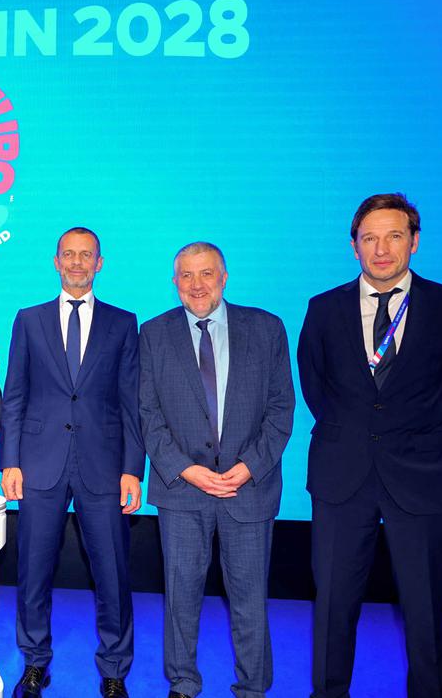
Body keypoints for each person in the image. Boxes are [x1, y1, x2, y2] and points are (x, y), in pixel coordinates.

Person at [298, 193, 442, 698]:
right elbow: (316, 388)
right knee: (333, 608)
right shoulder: (323, 308)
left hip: (422, 477)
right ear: (353, 246)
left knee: (426, 612)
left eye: (394, 236)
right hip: (342, 477)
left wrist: (416, 435)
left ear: (415, 242)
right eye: (370, 238)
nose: (382, 249)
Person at [139, 241, 294, 698]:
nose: (197, 284)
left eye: (206, 273)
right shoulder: (154, 333)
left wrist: (249, 466)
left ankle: (252, 687)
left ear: (224, 277)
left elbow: (282, 410)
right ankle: (183, 683)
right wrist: (185, 469)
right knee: (180, 597)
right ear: (174, 283)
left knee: (249, 598)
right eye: (186, 275)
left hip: (248, 489)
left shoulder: (266, 329)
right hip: (182, 490)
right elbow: (147, 413)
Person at [0, 227, 144, 698]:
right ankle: (36, 662)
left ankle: (114, 669)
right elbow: (15, 394)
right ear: (55, 261)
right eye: (69, 255)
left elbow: (131, 403)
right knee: (32, 572)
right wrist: (10, 460)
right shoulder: (29, 319)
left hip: (104, 466)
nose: (77, 263)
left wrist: (132, 467)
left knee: (113, 574)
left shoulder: (124, 323)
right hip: (38, 464)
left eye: (87, 255)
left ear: (100, 262)